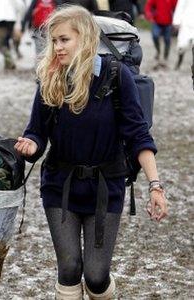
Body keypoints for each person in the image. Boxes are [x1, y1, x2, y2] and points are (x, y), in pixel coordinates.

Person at [14, 6, 168, 299]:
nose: (57, 47)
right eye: (54, 41)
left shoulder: (116, 76)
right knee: (69, 268)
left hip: (105, 187)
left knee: (96, 277)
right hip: (60, 184)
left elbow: (138, 135)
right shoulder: (51, 77)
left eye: (64, 40)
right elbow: (36, 130)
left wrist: (155, 186)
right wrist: (31, 145)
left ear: (84, 38)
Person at [0, 0, 27, 70]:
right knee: (6, 41)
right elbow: (20, 6)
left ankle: (10, 60)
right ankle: (7, 63)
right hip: (11, 19)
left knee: (0, 43)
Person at [145, 0, 177, 69]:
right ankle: (158, 51)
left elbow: (176, 8)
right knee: (155, 36)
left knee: (167, 40)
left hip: (168, 22)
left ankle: (165, 56)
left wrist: (176, 20)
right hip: (157, 21)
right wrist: (149, 15)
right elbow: (148, 5)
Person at [172, 0, 194, 70]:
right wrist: (176, 21)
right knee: (182, 45)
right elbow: (180, 7)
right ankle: (179, 60)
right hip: (186, 22)